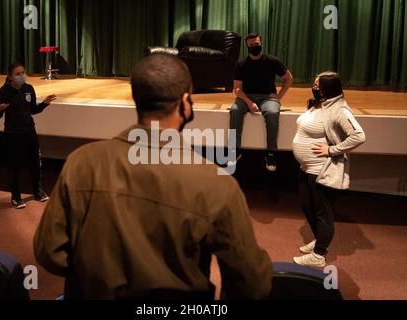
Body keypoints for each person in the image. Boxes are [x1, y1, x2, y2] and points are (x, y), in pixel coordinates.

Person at [34, 54, 272, 300]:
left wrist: (98, 277)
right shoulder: (218, 183)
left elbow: (49, 252)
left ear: (137, 99)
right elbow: (252, 285)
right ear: (185, 103)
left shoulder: (80, 162)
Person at [292, 72, 366, 267]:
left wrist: (332, 150)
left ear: (327, 88)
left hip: (321, 170)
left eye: (318, 85)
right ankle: (319, 241)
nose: (314, 87)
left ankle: (319, 255)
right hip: (306, 167)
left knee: (323, 213)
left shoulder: (340, 109)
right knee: (307, 207)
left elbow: (358, 136)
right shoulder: (319, 103)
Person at [0, 62, 56, 209]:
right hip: (12, 134)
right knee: (14, 166)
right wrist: (1, 109)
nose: (22, 76)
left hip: (29, 132)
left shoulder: (29, 89)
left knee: (35, 163)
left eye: (23, 72)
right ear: (10, 76)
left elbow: (33, 110)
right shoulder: (4, 91)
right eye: (18, 74)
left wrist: (45, 103)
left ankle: (37, 190)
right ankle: (15, 196)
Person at [229, 33, 293, 171]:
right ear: (247, 46)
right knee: (234, 110)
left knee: (272, 112)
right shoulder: (241, 63)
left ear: (261, 44)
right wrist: (249, 102)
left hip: (267, 97)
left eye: (257, 44)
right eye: (251, 45)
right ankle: (235, 150)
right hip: (246, 96)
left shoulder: (272, 61)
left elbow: (288, 78)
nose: (254, 47)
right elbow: (237, 89)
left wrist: (279, 96)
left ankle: (271, 153)